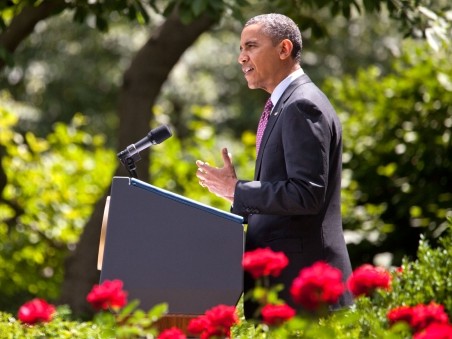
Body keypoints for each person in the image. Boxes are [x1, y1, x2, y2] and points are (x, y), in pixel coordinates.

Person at [195, 13, 353, 319]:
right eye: (240, 49)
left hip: (306, 288)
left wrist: (240, 190)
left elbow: (307, 194)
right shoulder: (284, 105)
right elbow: (287, 194)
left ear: (284, 49)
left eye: (251, 46)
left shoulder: (301, 105)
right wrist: (236, 195)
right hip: (287, 290)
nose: (241, 57)